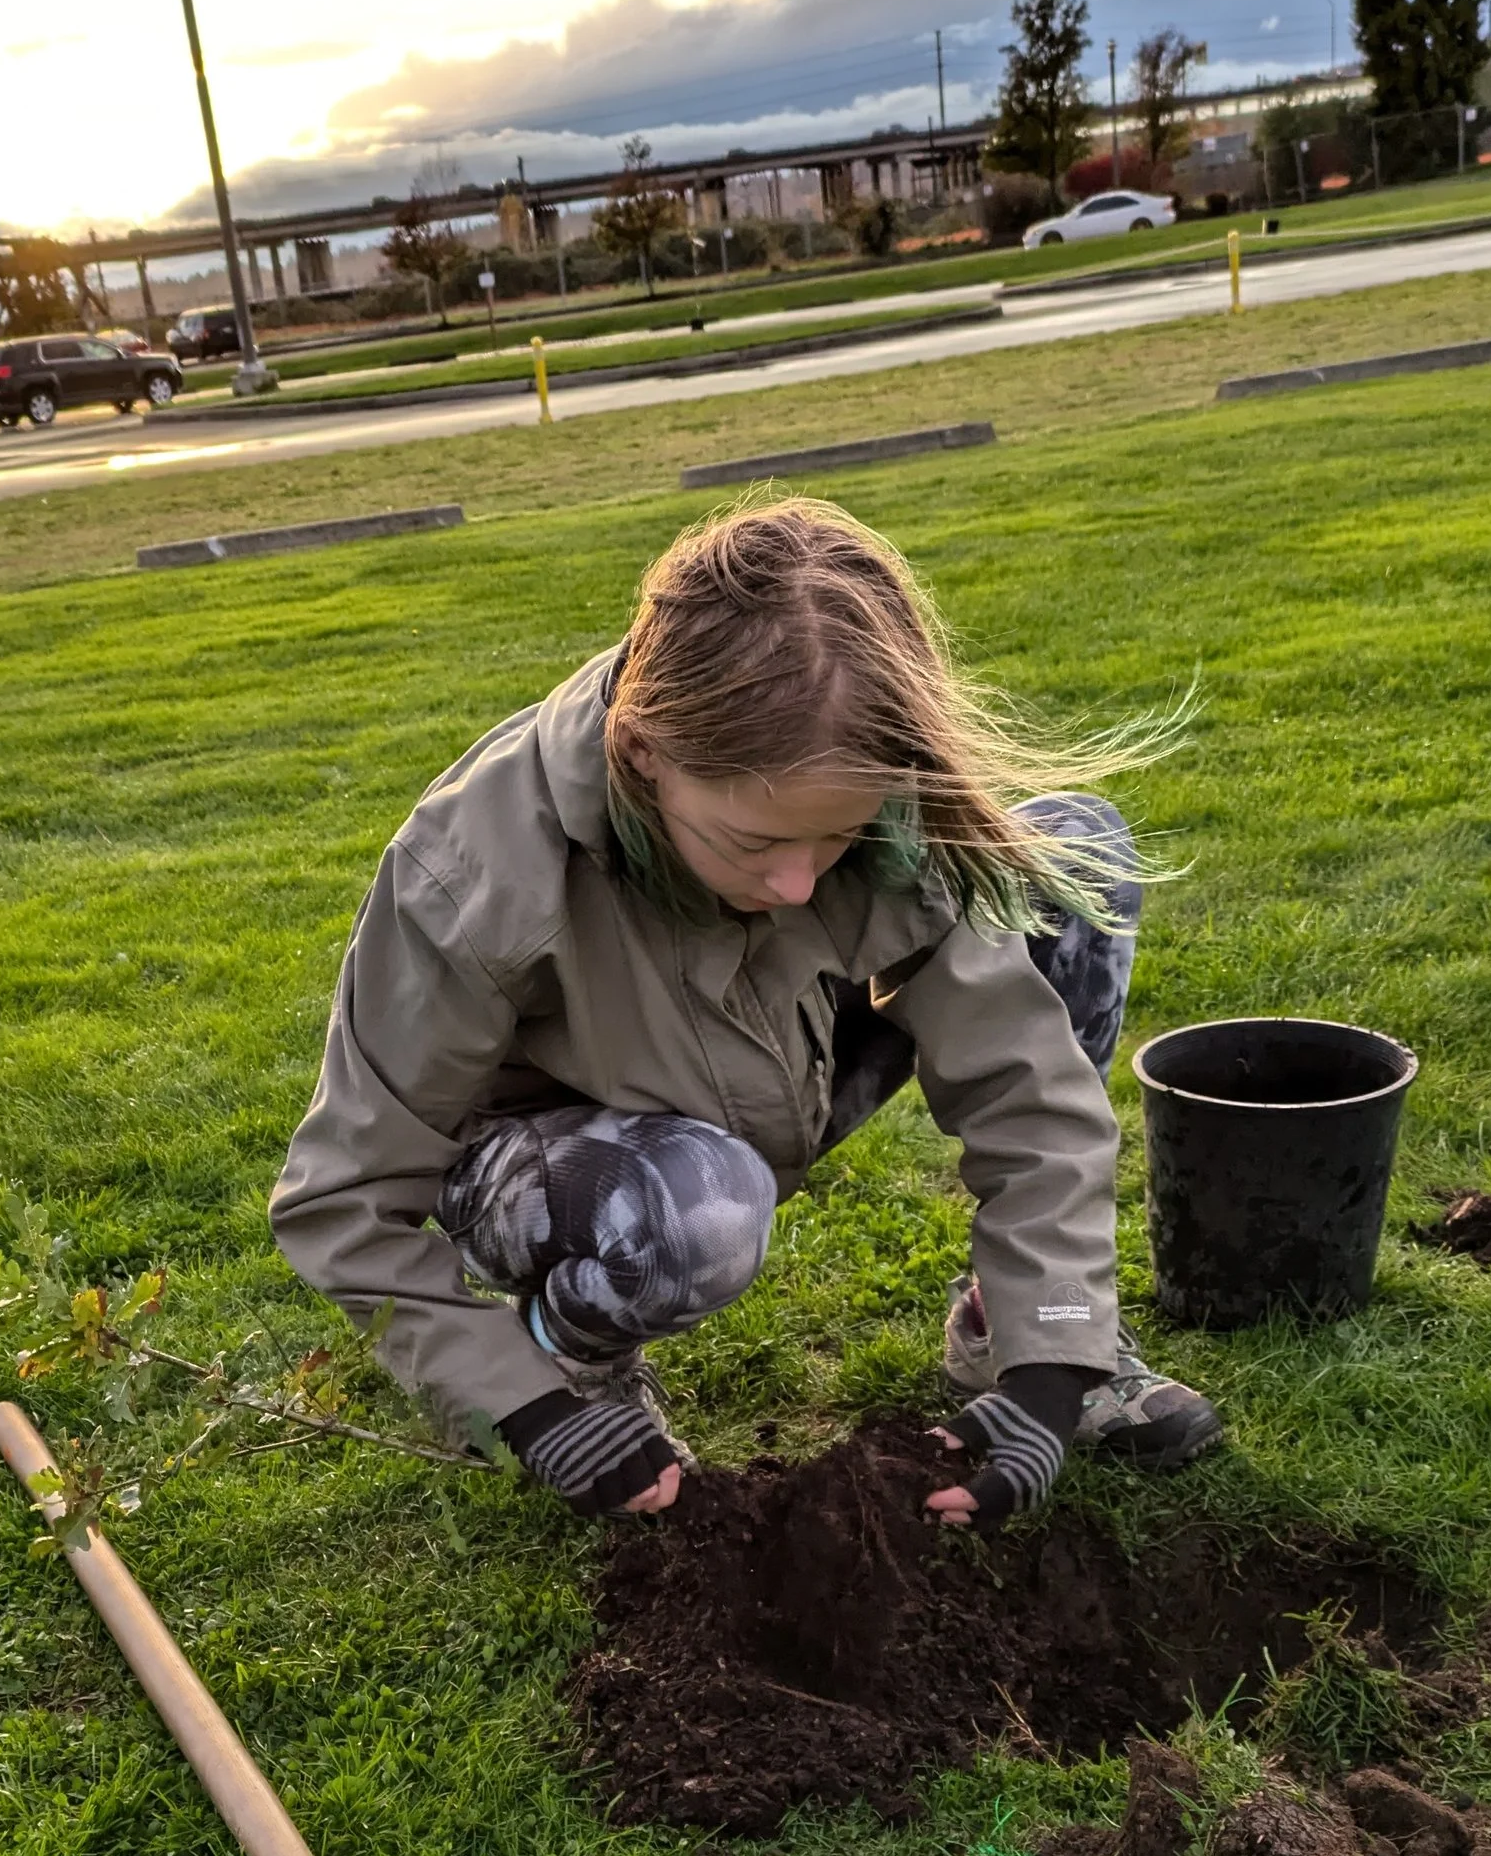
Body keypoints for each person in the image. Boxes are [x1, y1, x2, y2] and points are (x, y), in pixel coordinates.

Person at [271, 497, 1222, 1529]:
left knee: (1068, 858)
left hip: (778, 1060)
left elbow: (1025, 1085)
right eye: (754, 843)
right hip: (558, 1154)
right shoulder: (469, 873)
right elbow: (344, 1200)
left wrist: (1052, 1359)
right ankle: (578, 1357)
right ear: (641, 757)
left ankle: (1006, 1321)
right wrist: (524, 1405)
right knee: (700, 1204)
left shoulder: (865, 802)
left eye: (837, 838)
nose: (801, 885)